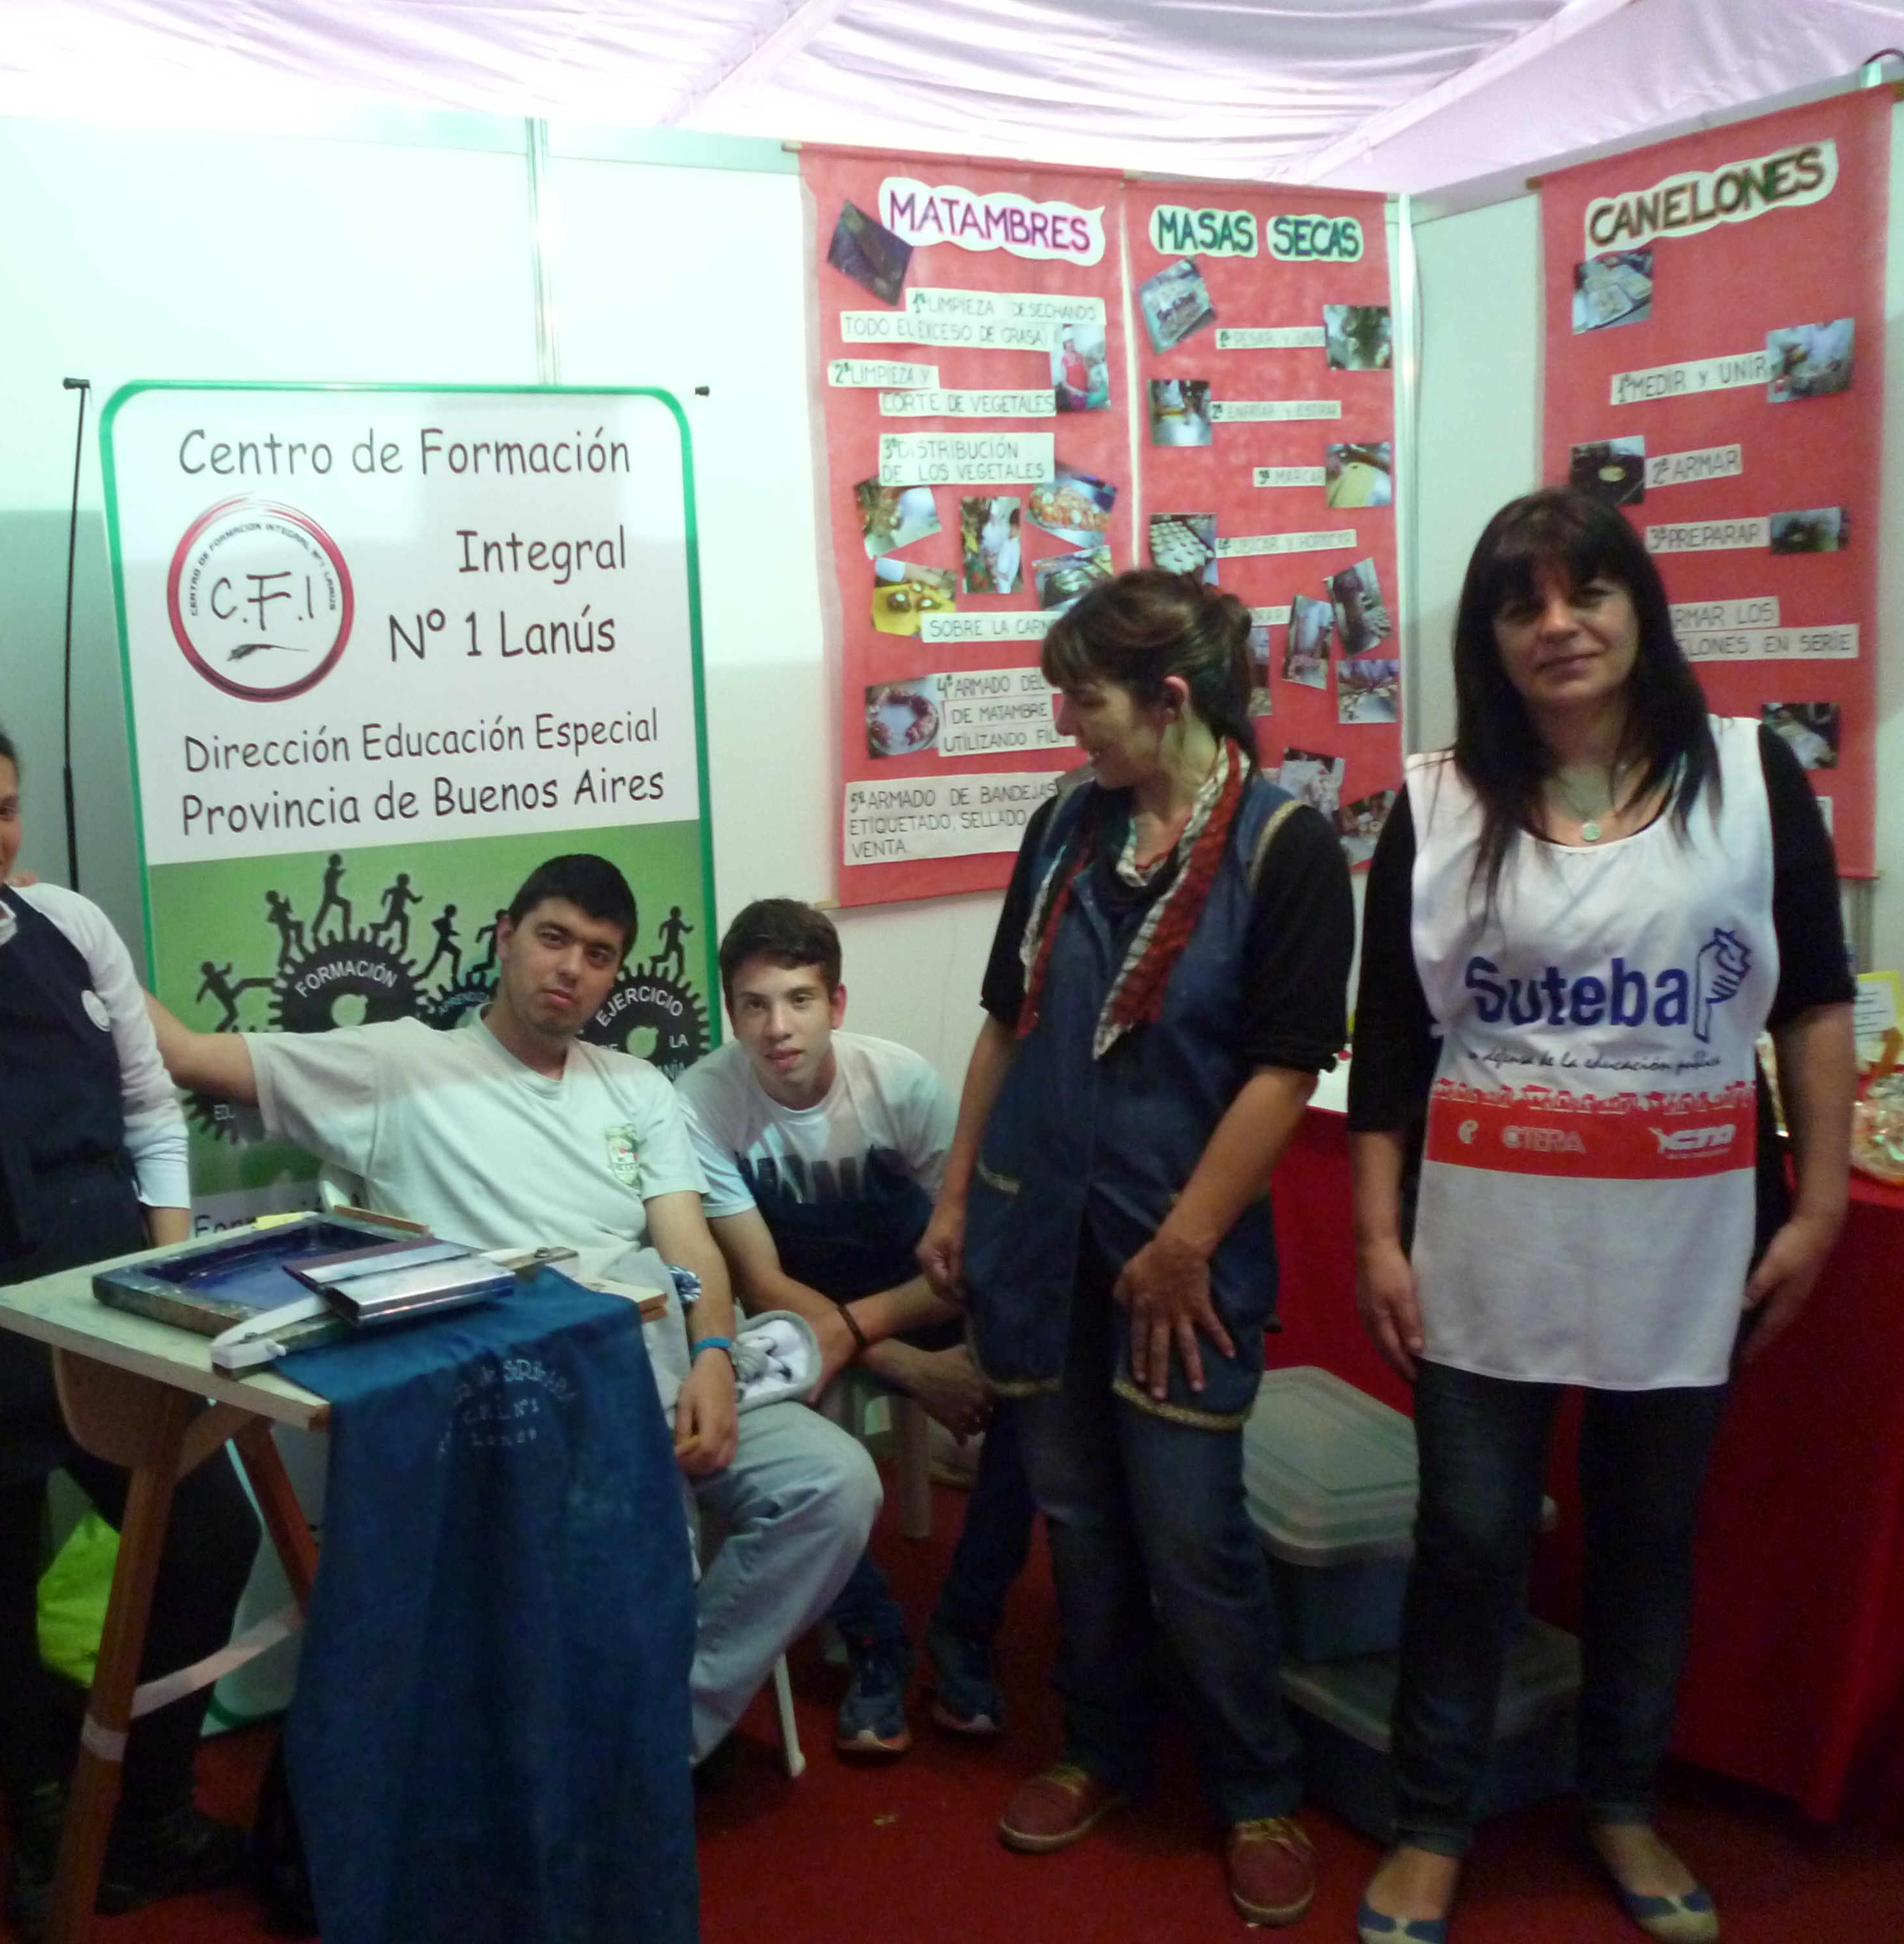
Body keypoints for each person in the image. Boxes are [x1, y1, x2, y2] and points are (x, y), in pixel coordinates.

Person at [1348, 489, 1853, 1944]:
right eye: (1523, 605)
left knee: (1647, 1534)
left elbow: (1813, 1001)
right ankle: (1432, 1823)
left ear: (1640, 608)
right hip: (1483, 1240)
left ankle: (1622, 1802)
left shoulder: (1751, 777)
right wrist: (1376, 1236)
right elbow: (1393, 1041)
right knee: (1469, 1537)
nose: (1558, 627)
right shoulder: (1437, 804)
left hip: (1688, 1242)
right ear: (1488, 638)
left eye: (1589, 594)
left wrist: (1819, 1206)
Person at [154, 855, 881, 1766]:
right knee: (632, 1530)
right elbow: (187, 1055)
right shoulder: (401, 1065)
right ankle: (628, 1748)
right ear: (506, 938)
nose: (571, 968)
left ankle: (660, 1731)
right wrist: (69, 932)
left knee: (836, 1485)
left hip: (664, 1367)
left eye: (599, 954)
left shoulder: (636, 1087)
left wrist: (712, 1354)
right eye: (553, 939)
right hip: (520, 1394)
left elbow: (691, 1250)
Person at [918, 569, 1352, 1927]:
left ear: (1168, 699)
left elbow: (1285, 1070)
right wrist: (954, 1197)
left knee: (1191, 1535)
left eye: (1082, 698)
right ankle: (1101, 1747)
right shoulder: (1064, 828)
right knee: (1080, 1521)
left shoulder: (1283, 849)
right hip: (1035, 1235)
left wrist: (1185, 1243)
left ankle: (1254, 1786)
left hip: (1181, 1258)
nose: (1064, 723)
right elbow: (1006, 1023)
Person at [0, 706, 261, 1939]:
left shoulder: (73, 926)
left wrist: (176, 1286)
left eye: (5, 808)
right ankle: (43, 1817)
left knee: (209, 1541)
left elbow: (150, 1107)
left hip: (111, 1287)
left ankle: (150, 1803)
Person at [680, 897, 1035, 1758]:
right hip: (797, 1314)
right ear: (732, 1013)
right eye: (756, 1005)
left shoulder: (900, 1083)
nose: (778, 1028)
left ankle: (966, 1625)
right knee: (802, 1452)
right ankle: (877, 1638)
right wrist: (905, 1366)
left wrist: (878, 1334)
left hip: (917, 1294)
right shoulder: (703, 1100)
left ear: (836, 1004)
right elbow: (760, 1279)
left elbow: (964, 1250)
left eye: (800, 999)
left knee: (1037, 1397)